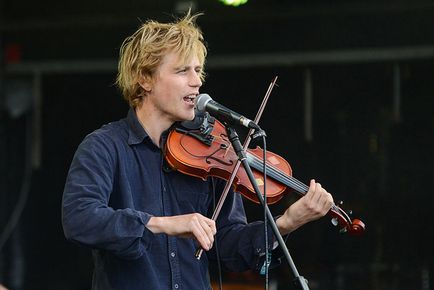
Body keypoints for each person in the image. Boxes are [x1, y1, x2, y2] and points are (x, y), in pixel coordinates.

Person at [61, 11, 334, 290]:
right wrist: (161, 224)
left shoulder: (210, 151)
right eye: (182, 71)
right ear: (145, 79)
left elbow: (227, 248)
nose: (196, 81)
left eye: (197, 70)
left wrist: (286, 223)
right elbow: (79, 218)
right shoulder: (104, 146)